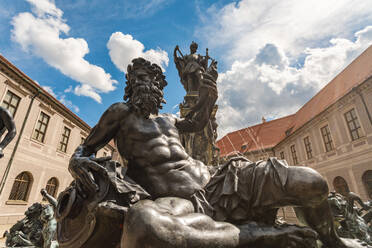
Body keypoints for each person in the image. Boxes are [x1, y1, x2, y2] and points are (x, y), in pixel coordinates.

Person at [69, 57, 356, 248]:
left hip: (220, 181)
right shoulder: (120, 113)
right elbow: (86, 148)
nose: (150, 85)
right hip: (177, 202)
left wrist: (209, 96)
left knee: (311, 183)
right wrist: (76, 162)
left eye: (155, 81)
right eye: (143, 79)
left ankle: (332, 241)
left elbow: (196, 122)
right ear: (131, 86)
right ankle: (263, 236)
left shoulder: (169, 120)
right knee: (144, 226)